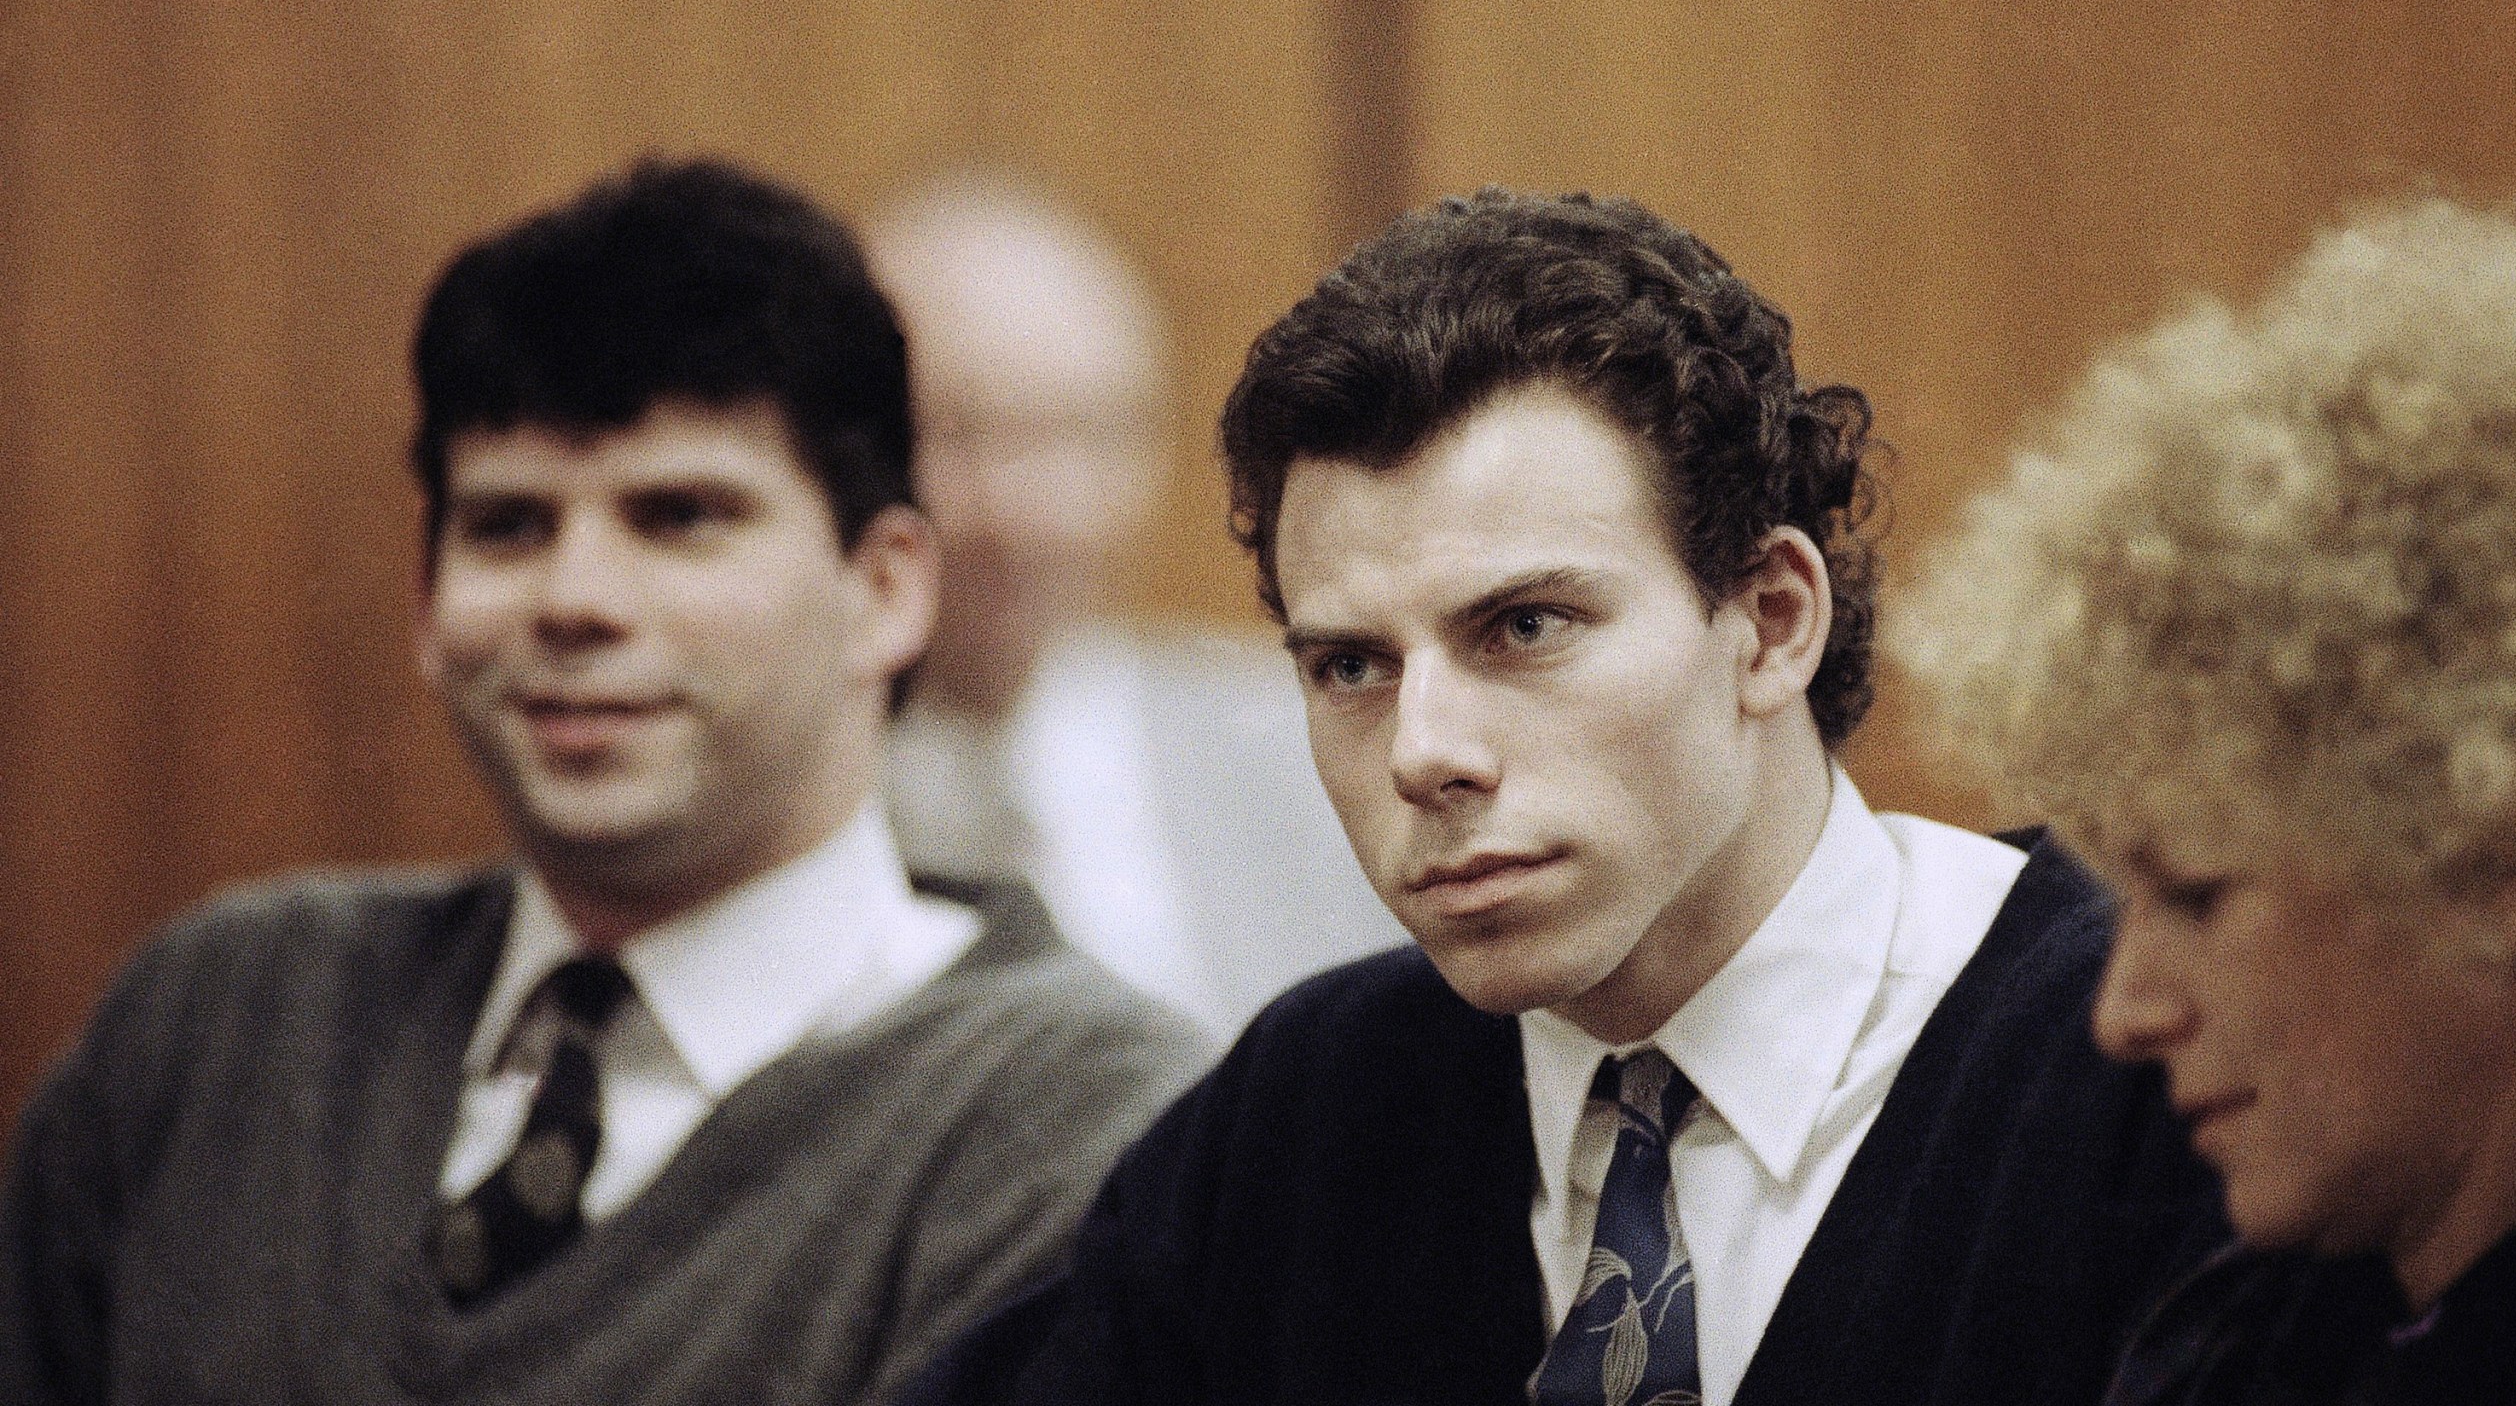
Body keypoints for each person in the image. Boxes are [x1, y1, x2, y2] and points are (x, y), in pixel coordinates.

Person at [905, 187, 2224, 1406]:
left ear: (1769, 622)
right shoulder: (1305, 1123)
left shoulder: (2154, 1052)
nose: (1423, 751)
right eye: (1352, 665)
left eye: (1525, 628)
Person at [0, 158, 1211, 1406]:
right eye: (508, 525)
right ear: (426, 603)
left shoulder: (1081, 1135)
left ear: (884, 590)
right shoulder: (223, 1021)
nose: (575, 601)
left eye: (679, 517)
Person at [1895, 196, 2516, 1404]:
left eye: (2196, 896)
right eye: (2120, 900)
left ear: (2501, 867)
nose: (2122, 1014)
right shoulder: (2238, 1336)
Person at [863, 174, 1400, 1033]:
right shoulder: (769, 797)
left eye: (1081, 435)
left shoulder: (1321, 741)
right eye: (959, 434)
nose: (1027, 511)